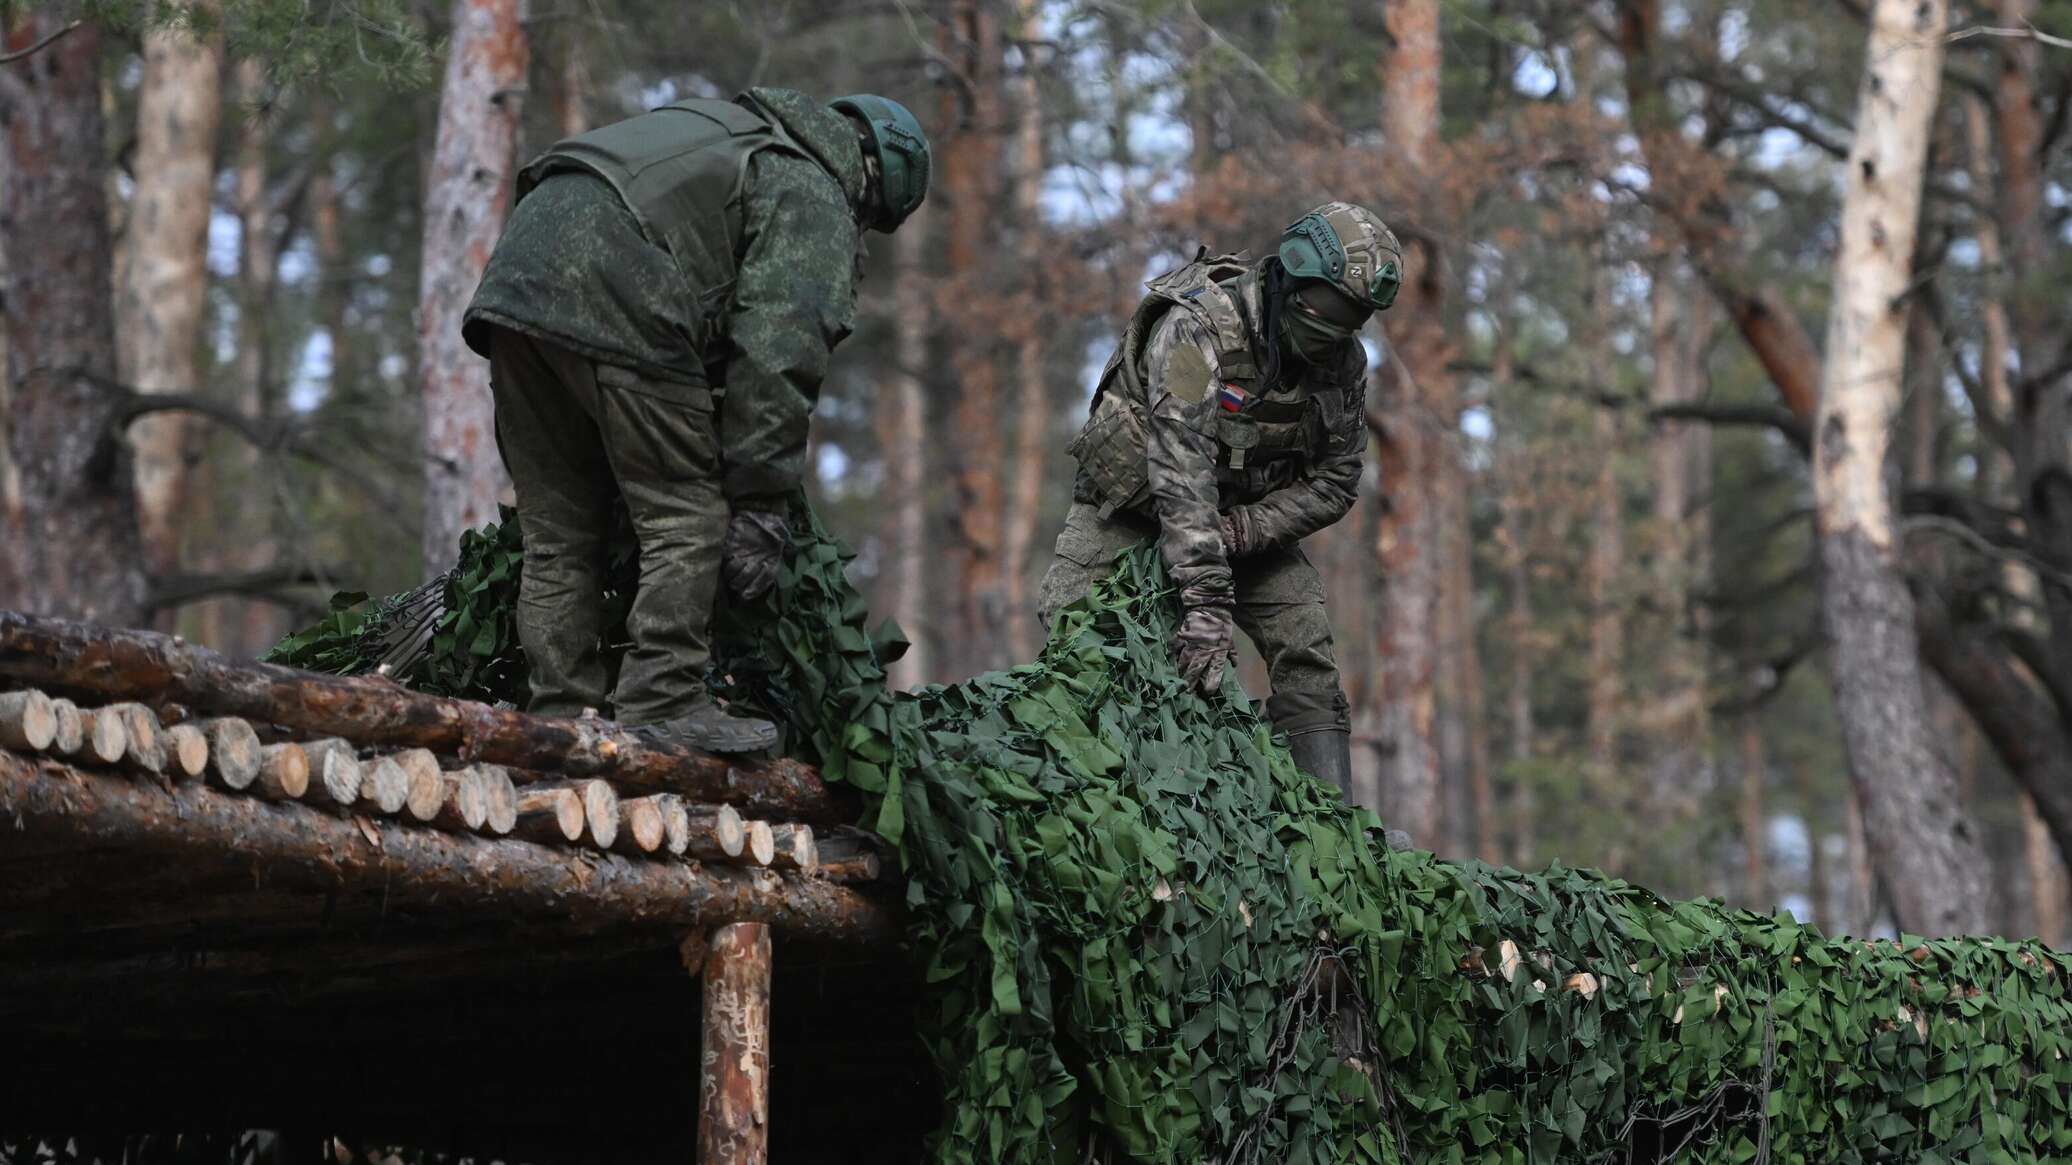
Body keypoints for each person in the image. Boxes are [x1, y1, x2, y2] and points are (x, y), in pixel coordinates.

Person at [462, 88, 930, 752]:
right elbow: (779, 347)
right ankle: (663, 699)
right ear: (880, 180)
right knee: (686, 513)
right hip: (620, 291)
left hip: (515, 283)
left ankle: (559, 714)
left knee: (560, 531)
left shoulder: (727, 129)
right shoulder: (815, 188)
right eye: (871, 222)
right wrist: (761, 501)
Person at [1037, 202, 1401, 794]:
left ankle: (1331, 831)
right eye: (1332, 309)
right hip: (1132, 509)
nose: (1339, 331)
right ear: (1293, 278)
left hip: (1244, 523)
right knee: (1078, 643)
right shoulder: (1199, 326)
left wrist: (1244, 533)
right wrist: (1207, 604)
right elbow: (1179, 472)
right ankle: (1097, 802)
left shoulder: (1341, 367)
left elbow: (1336, 481)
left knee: (1305, 643)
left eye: (1355, 317)